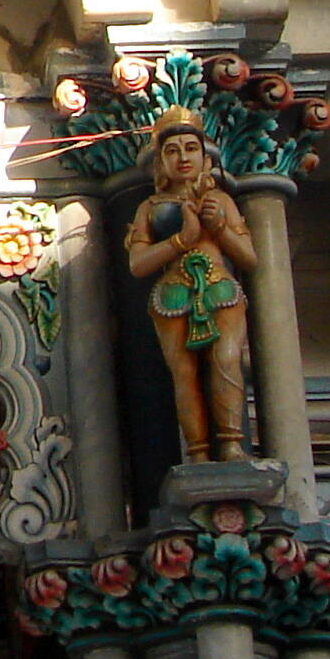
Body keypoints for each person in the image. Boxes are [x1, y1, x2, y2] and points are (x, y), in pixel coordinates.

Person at [123, 108, 257, 464]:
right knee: (184, 373)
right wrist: (182, 240)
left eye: (190, 149)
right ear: (160, 164)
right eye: (172, 151)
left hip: (218, 287)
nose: (183, 158)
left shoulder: (220, 201)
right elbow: (138, 264)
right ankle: (197, 452)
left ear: (204, 157)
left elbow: (248, 258)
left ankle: (230, 443)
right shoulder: (150, 208)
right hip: (173, 292)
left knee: (226, 360)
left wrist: (220, 228)